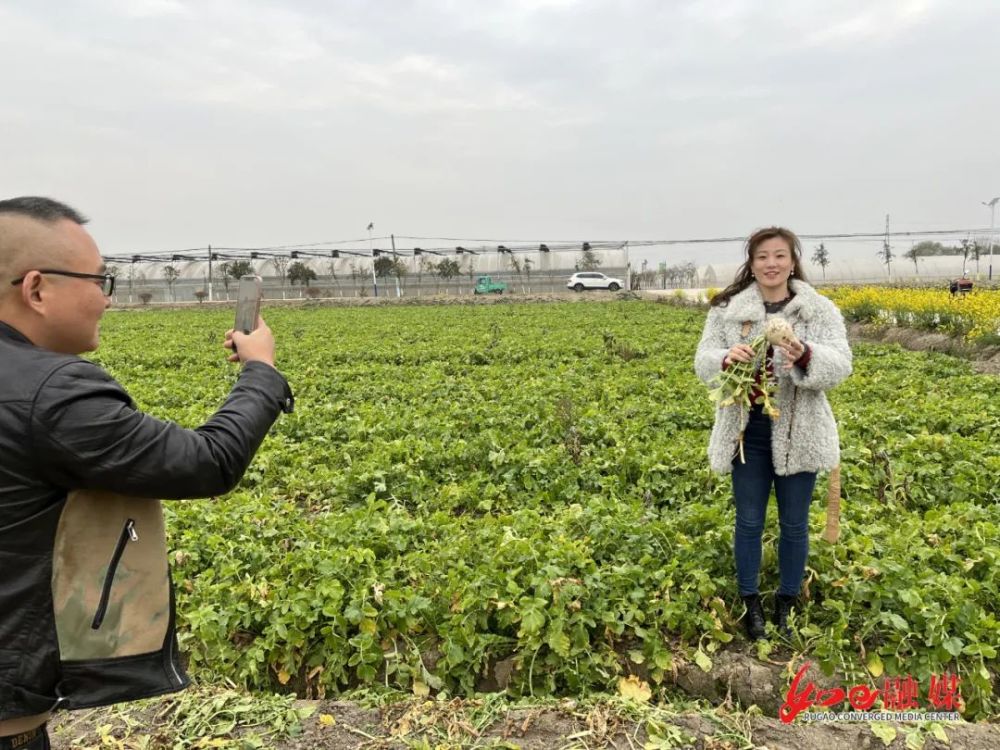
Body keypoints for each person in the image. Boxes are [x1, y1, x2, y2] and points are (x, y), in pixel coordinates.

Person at [0, 197, 294, 749]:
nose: (106, 300)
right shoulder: (53, 393)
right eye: (98, 280)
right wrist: (261, 373)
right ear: (36, 289)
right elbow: (207, 462)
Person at [694, 227, 851, 641]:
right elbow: (703, 359)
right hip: (747, 434)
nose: (771, 264)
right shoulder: (728, 309)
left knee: (795, 524)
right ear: (752, 262)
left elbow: (841, 363)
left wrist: (806, 354)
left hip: (801, 432)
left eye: (779, 256)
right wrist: (726, 358)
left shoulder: (816, 309)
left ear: (792, 261)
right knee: (748, 521)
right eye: (763, 257)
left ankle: (785, 603)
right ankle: (751, 604)